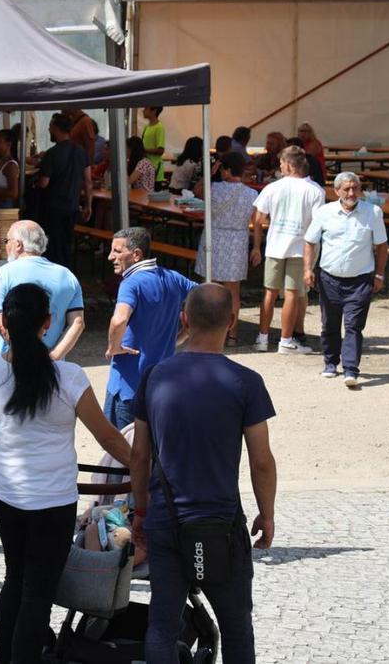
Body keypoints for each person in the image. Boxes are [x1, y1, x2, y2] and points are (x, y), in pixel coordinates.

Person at [0, 283, 130, 663]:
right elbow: (108, 437)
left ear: (3, 325)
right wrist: (145, 463)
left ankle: (3, 657)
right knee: (37, 590)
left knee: (15, 578)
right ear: (48, 323)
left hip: (7, 493)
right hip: (54, 498)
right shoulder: (70, 377)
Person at [130, 283, 277, 664]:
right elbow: (261, 460)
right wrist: (267, 512)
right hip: (222, 522)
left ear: (184, 320)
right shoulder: (246, 382)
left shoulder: (154, 376)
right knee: (236, 627)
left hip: (166, 519)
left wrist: (141, 511)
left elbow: (140, 454)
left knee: (162, 626)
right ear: (232, 321)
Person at [104, 227, 197, 430]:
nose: (111, 257)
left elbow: (119, 320)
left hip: (127, 387)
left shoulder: (130, 283)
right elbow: (207, 297)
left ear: (136, 254)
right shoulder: (174, 277)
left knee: (122, 453)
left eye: (117, 251)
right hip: (162, 386)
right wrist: (185, 333)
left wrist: (114, 347)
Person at [303, 172, 388, 388]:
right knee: (329, 324)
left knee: (353, 325)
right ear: (337, 191)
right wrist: (307, 269)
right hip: (329, 277)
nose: (351, 193)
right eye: (347, 189)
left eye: (355, 188)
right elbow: (310, 242)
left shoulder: (373, 212)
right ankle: (330, 362)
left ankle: (351, 369)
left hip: (360, 279)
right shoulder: (325, 212)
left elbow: (381, 245)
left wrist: (379, 274)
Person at [250, 145, 325, 354]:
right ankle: (285, 340)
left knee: (269, 293)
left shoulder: (273, 188)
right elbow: (318, 224)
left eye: (281, 163)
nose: (280, 167)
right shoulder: (315, 191)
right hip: (300, 249)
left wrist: (257, 246)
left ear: (290, 165)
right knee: (292, 294)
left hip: (274, 246)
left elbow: (258, 219)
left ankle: (262, 339)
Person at [0, 221, 84, 359]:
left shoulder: (4, 273)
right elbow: (77, 323)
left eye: (6, 240)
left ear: (18, 244)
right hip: (52, 365)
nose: (6, 246)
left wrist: (20, 357)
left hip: (11, 362)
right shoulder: (67, 275)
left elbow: (0, 323)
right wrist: (54, 357)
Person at [196, 152, 259, 345]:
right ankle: (232, 334)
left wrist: (209, 173)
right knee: (233, 291)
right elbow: (256, 222)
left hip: (213, 237)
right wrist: (256, 247)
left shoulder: (213, 188)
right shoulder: (252, 194)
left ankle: (208, 332)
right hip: (237, 240)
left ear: (227, 170)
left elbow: (197, 190)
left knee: (209, 287)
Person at [37, 114, 91, 267]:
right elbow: (88, 182)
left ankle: (56, 274)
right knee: (67, 243)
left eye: (50, 126)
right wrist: (88, 205)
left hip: (54, 207)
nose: (48, 129)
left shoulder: (51, 154)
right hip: (72, 206)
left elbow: (43, 183)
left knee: (54, 245)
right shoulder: (81, 152)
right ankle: (67, 272)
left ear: (55, 128)